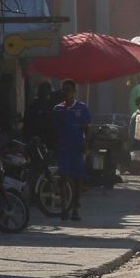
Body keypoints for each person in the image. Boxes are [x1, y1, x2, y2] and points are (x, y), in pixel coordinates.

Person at [53, 80, 91, 221]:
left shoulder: (82, 108)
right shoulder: (58, 109)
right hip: (64, 148)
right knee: (64, 177)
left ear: (74, 91)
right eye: (63, 90)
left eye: (68, 90)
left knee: (78, 178)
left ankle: (75, 207)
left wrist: (86, 145)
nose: (66, 93)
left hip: (77, 147)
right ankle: (64, 207)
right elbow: (55, 129)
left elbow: (86, 128)